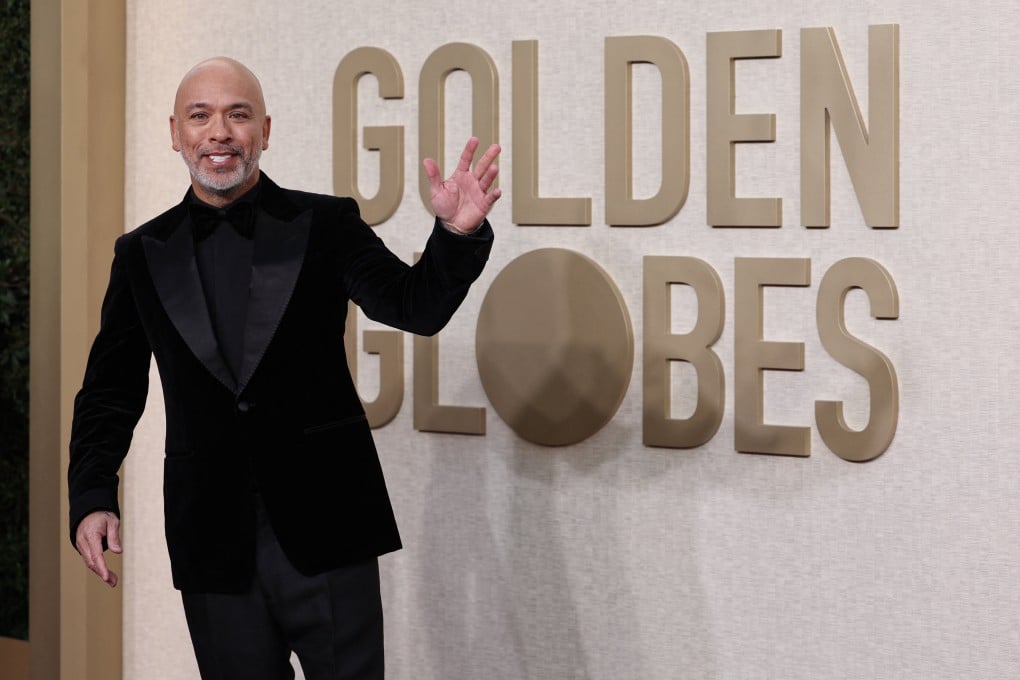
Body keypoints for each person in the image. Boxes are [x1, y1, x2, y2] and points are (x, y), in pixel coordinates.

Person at [67, 56, 500, 679]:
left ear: (264, 131)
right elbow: (110, 387)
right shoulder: (139, 254)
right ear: (175, 132)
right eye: (201, 116)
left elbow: (416, 306)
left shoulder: (326, 224)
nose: (219, 131)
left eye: (237, 115)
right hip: (213, 542)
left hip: (328, 530)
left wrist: (455, 235)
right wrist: (92, 494)